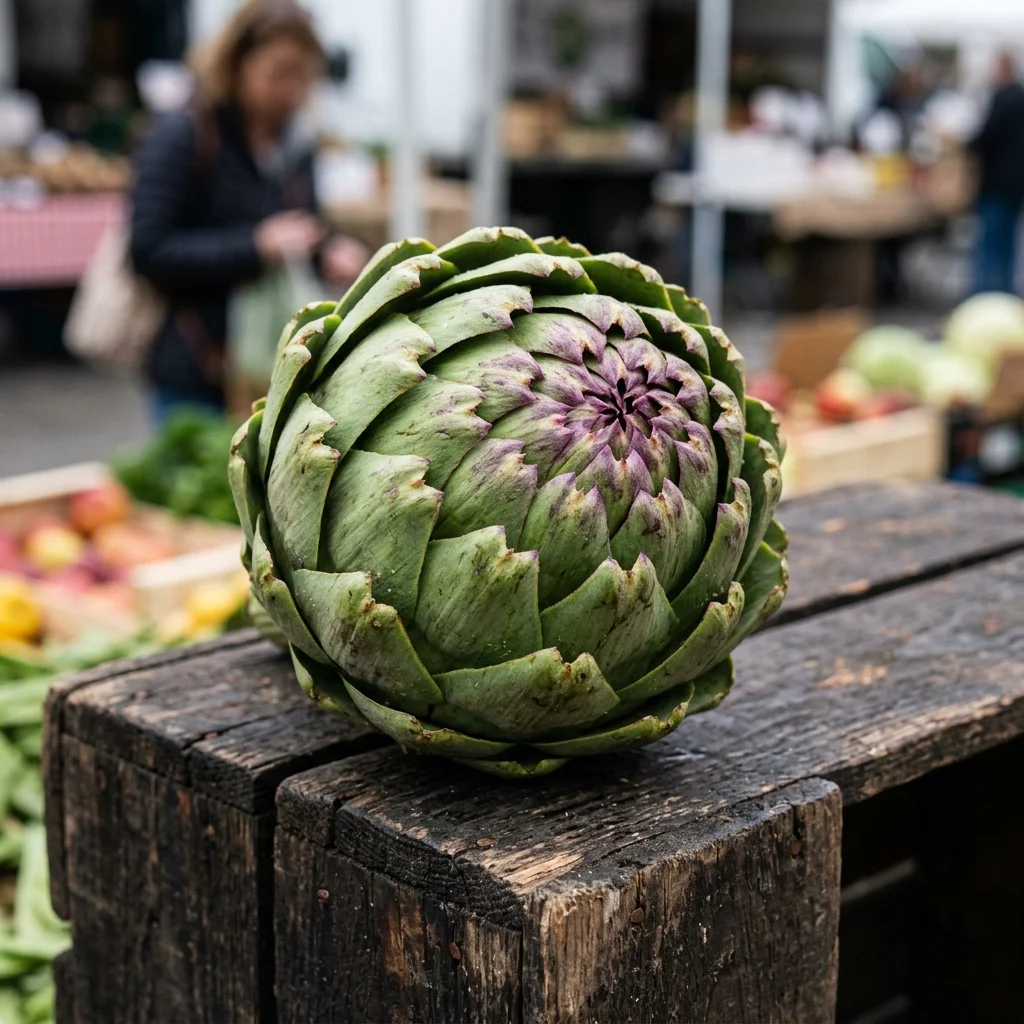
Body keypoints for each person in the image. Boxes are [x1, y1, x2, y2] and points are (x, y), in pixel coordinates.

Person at [130, 0, 368, 421]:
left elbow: (301, 226)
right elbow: (148, 250)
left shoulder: (296, 146)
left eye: (302, 76)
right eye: (278, 73)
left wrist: (326, 250)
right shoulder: (184, 135)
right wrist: (255, 246)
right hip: (197, 369)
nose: (290, 90)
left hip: (271, 376)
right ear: (237, 63)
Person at [970, 52, 1024, 295]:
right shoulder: (1020, 97)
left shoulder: (1002, 99)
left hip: (997, 182)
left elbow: (987, 138)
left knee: (990, 243)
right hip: (1016, 182)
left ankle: (986, 294)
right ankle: (1005, 293)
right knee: (1008, 242)